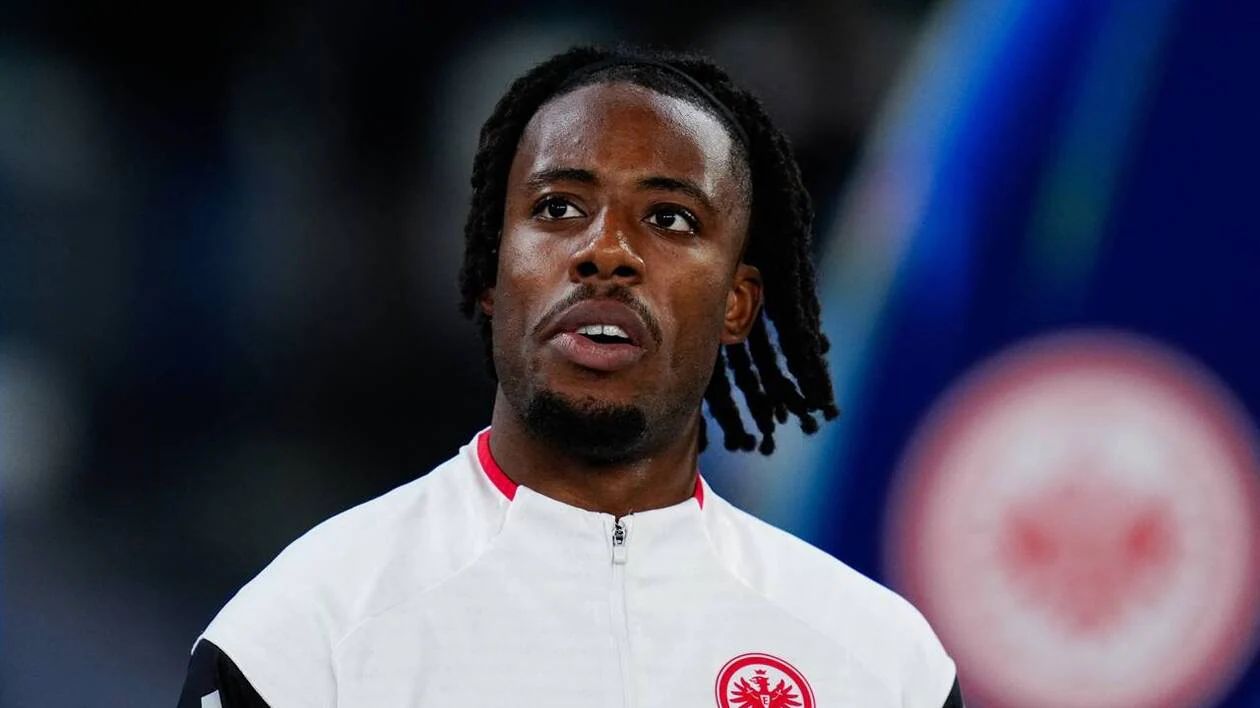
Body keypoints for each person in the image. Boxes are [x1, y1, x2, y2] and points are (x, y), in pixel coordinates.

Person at [179, 44, 964, 707]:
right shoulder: (302, 638)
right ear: (492, 273)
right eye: (559, 208)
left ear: (737, 304)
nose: (606, 251)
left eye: (669, 218)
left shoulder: (884, 666)